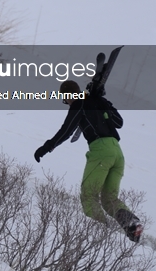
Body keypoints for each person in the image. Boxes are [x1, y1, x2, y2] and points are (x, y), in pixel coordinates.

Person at [34, 79, 143, 242]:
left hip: (101, 152)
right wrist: (103, 102)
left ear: (67, 95)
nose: (67, 103)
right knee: (109, 199)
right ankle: (132, 225)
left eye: (66, 99)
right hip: (117, 153)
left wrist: (46, 147)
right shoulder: (97, 102)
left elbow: (66, 131)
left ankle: (101, 236)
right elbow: (119, 122)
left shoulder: (79, 104)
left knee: (88, 195)